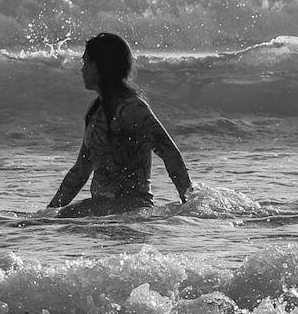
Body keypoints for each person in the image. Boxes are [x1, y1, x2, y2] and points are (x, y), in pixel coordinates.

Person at [46, 32, 192, 217]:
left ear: (99, 67)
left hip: (132, 209)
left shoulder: (131, 108)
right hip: (104, 209)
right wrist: (48, 213)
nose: (82, 69)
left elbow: (168, 151)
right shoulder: (96, 110)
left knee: (63, 218)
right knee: (58, 219)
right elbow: (80, 171)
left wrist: (189, 204)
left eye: (85, 63)